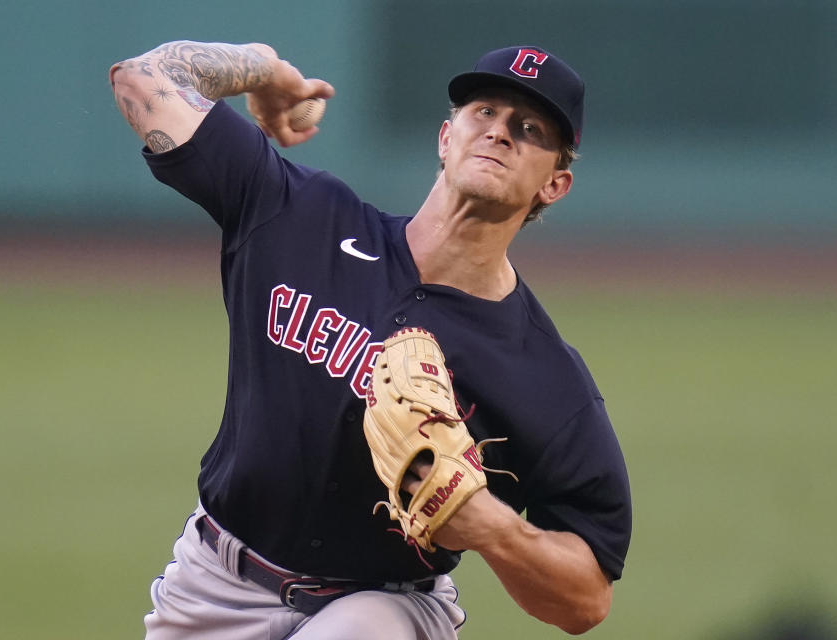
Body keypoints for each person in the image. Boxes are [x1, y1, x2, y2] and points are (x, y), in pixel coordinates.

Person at [110, 41, 631, 639]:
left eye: (530, 127)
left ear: (555, 184)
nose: (500, 132)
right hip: (212, 590)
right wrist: (263, 66)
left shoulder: (541, 372)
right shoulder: (301, 216)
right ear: (445, 136)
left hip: (385, 608)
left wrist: (492, 526)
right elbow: (142, 80)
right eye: (483, 112)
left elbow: (587, 597)